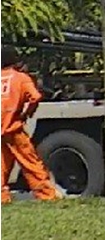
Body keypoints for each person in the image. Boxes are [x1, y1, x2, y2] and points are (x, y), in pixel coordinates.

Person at [2, 46, 61, 204]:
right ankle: (46, 194)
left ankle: (2, 198)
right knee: (31, 163)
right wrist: (26, 113)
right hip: (14, 129)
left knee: (2, 165)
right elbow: (35, 97)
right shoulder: (21, 78)